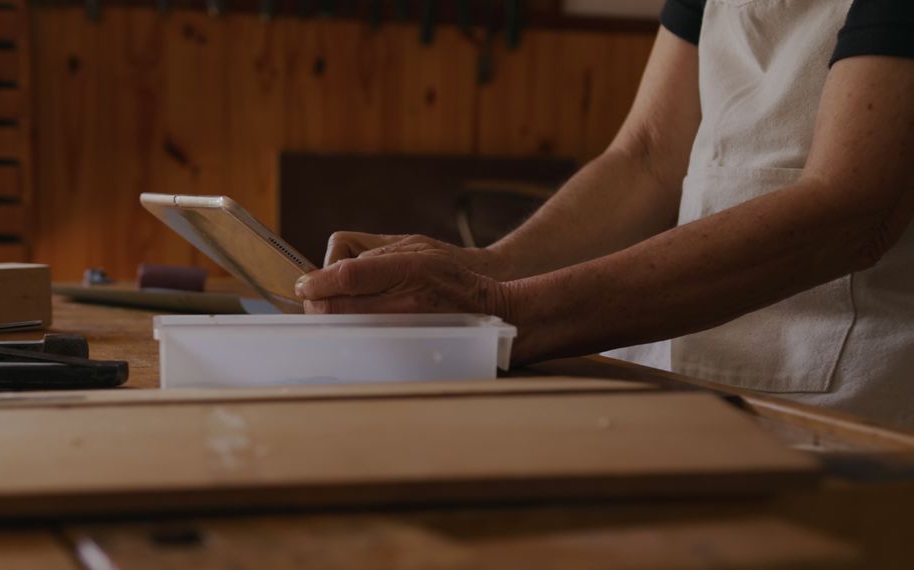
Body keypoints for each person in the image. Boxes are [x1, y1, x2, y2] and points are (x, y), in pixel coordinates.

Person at [293, 0, 914, 429]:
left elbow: (853, 213)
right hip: (683, 377)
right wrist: (484, 266)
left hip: (855, 407)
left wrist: (503, 309)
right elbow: (645, 158)